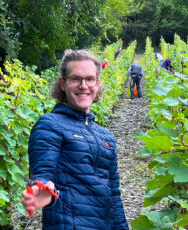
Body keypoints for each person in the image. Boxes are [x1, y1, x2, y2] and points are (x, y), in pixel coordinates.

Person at [21, 49, 129, 230]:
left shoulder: (106, 137)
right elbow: (43, 173)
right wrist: (45, 192)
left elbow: (114, 195)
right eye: (76, 79)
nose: (83, 85)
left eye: (89, 79)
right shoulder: (49, 124)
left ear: (97, 83)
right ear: (63, 83)